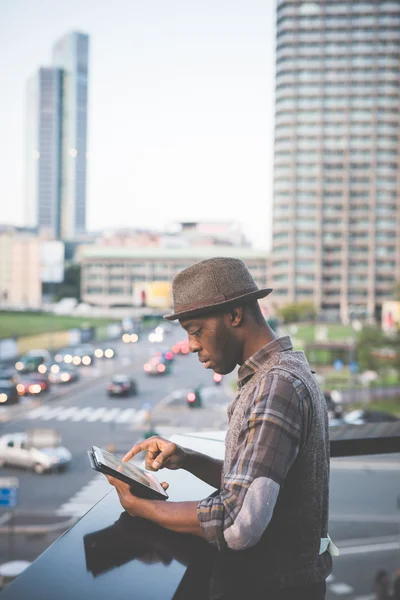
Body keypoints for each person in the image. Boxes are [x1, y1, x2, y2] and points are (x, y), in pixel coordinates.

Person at [106, 257, 337, 599]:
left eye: (196, 331)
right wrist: (186, 458)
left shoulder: (276, 386)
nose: (192, 345)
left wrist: (143, 508)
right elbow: (260, 486)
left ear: (234, 315)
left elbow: (240, 522)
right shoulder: (284, 371)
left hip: (269, 588)